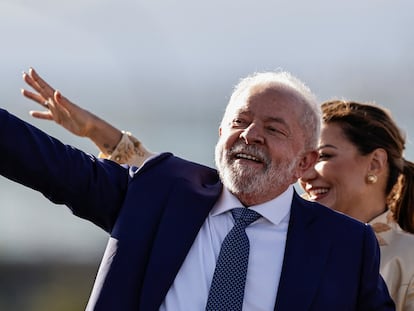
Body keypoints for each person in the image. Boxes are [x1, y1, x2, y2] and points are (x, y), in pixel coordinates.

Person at [1, 68, 395, 310]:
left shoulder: (345, 244)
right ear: (221, 134)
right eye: (241, 122)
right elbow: (51, 165)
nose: (251, 135)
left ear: (305, 162)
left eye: (274, 129)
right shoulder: (159, 193)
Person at [298, 100, 414, 311]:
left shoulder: (409, 259)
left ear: (375, 163)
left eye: (324, 156)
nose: (305, 175)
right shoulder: (286, 245)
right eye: (303, 159)